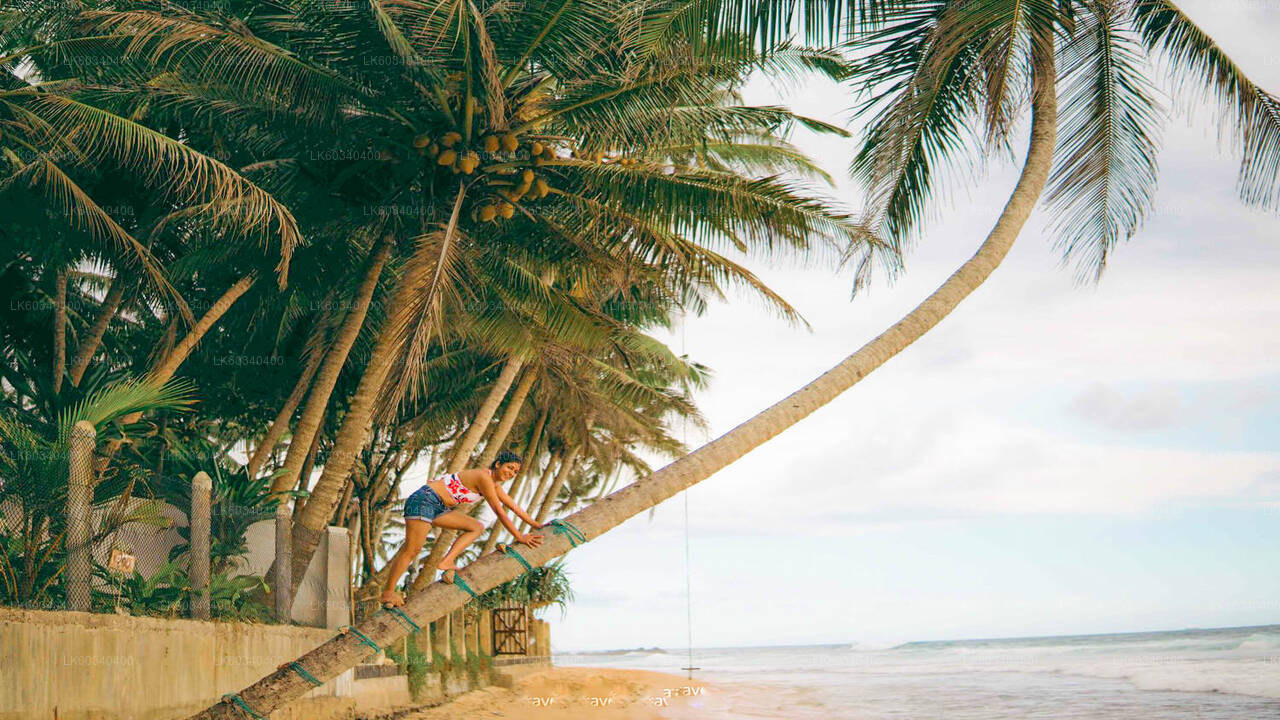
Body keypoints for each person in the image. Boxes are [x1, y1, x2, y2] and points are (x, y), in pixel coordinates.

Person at [380, 450, 544, 607]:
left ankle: (447, 561)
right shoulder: (483, 477)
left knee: (476, 527)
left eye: (515, 472)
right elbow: (500, 512)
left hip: (439, 507)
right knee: (412, 550)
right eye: (510, 467)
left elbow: (514, 506)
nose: (511, 473)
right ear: (498, 464)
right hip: (424, 500)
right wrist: (520, 536)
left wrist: (536, 525)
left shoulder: (494, 485)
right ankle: (388, 592)